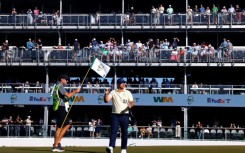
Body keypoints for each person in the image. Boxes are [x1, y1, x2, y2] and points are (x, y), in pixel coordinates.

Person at [51, 74, 81, 152]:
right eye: (66, 79)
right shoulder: (60, 86)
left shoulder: (56, 86)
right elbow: (67, 95)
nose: (67, 81)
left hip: (57, 107)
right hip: (61, 108)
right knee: (67, 124)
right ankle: (56, 144)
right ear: (62, 79)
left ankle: (56, 144)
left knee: (59, 127)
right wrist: (76, 91)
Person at [104, 78, 134, 153]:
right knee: (113, 132)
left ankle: (123, 149)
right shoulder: (113, 92)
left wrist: (130, 105)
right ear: (118, 84)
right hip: (115, 115)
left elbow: (132, 102)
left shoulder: (128, 92)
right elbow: (106, 100)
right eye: (122, 83)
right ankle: (111, 147)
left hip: (125, 115)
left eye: (124, 83)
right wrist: (106, 94)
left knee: (124, 132)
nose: (124, 84)